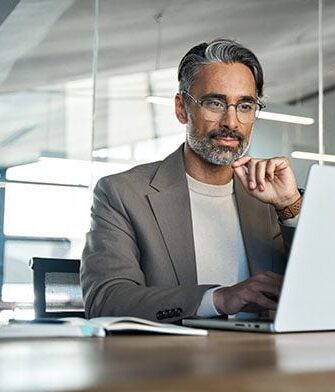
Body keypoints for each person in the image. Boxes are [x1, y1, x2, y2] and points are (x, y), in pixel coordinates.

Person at [80, 39, 302, 322]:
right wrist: (219, 298)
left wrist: (290, 205)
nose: (231, 122)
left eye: (245, 106)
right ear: (182, 108)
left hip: (268, 360)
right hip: (174, 362)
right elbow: (106, 300)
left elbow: (328, 286)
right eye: (214, 103)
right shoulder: (122, 194)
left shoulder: (274, 199)